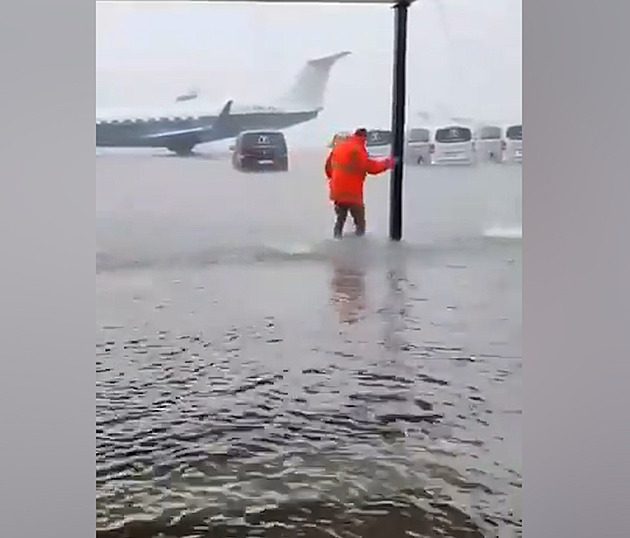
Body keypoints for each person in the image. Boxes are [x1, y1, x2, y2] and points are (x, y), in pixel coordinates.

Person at [324, 128, 394, 238]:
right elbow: (371, 167)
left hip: (337, 191)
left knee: (340, 220)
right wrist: (387, 163)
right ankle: (359, 244)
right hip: (352, 194)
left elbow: (328, 168)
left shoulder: (339, 147)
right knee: (360, 223)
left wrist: (335, 181)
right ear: (364, 138)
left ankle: (337, 239)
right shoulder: (358, 150)